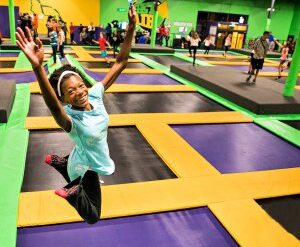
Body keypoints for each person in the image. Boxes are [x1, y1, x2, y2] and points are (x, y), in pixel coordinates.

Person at [15, 5, 136, 224]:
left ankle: (62, 162)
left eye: (80, 86)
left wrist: (132, 27)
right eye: (71, 92)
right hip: (85, 164)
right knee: (92, 215)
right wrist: (37, 68)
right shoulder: (72, 121)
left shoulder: (95, 95)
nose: (80, 93)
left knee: (77, 157)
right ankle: (73, 192)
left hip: (80, 154)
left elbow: (120, 62)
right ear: (64, 99)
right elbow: (53, 107)